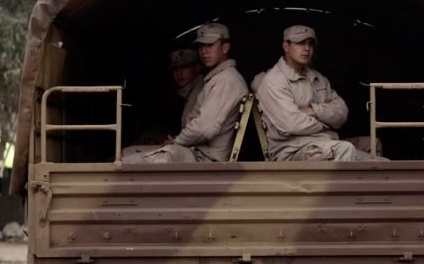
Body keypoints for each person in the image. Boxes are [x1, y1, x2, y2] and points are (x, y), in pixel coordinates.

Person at [255, 25, 381, 162]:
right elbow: (292, 124)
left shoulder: (318, 78)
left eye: (310, 44)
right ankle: (343, 184)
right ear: (286, 47)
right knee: (344, 149)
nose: (307, 49)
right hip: (292, 150)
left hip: (323, 143)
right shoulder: (274, 81)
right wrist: (327, 124)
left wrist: (314, 110)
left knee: (375, 148)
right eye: (300, 43)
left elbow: (342, 113)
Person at [141, 23, 247, 163]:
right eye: (201, 46)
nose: (204, 51)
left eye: (210, 45)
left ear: (225, 47)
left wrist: (176, 142)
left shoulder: (226, 80)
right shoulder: (218, 78)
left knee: (132, 162)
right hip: (199, 152)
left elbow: (204, 128)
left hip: (205, 157)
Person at [169, 48, 204, 129]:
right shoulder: (187, 91)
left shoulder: (200, 91)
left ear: (197, 68)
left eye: (184, 67)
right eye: (175, 69)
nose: (179, 73)